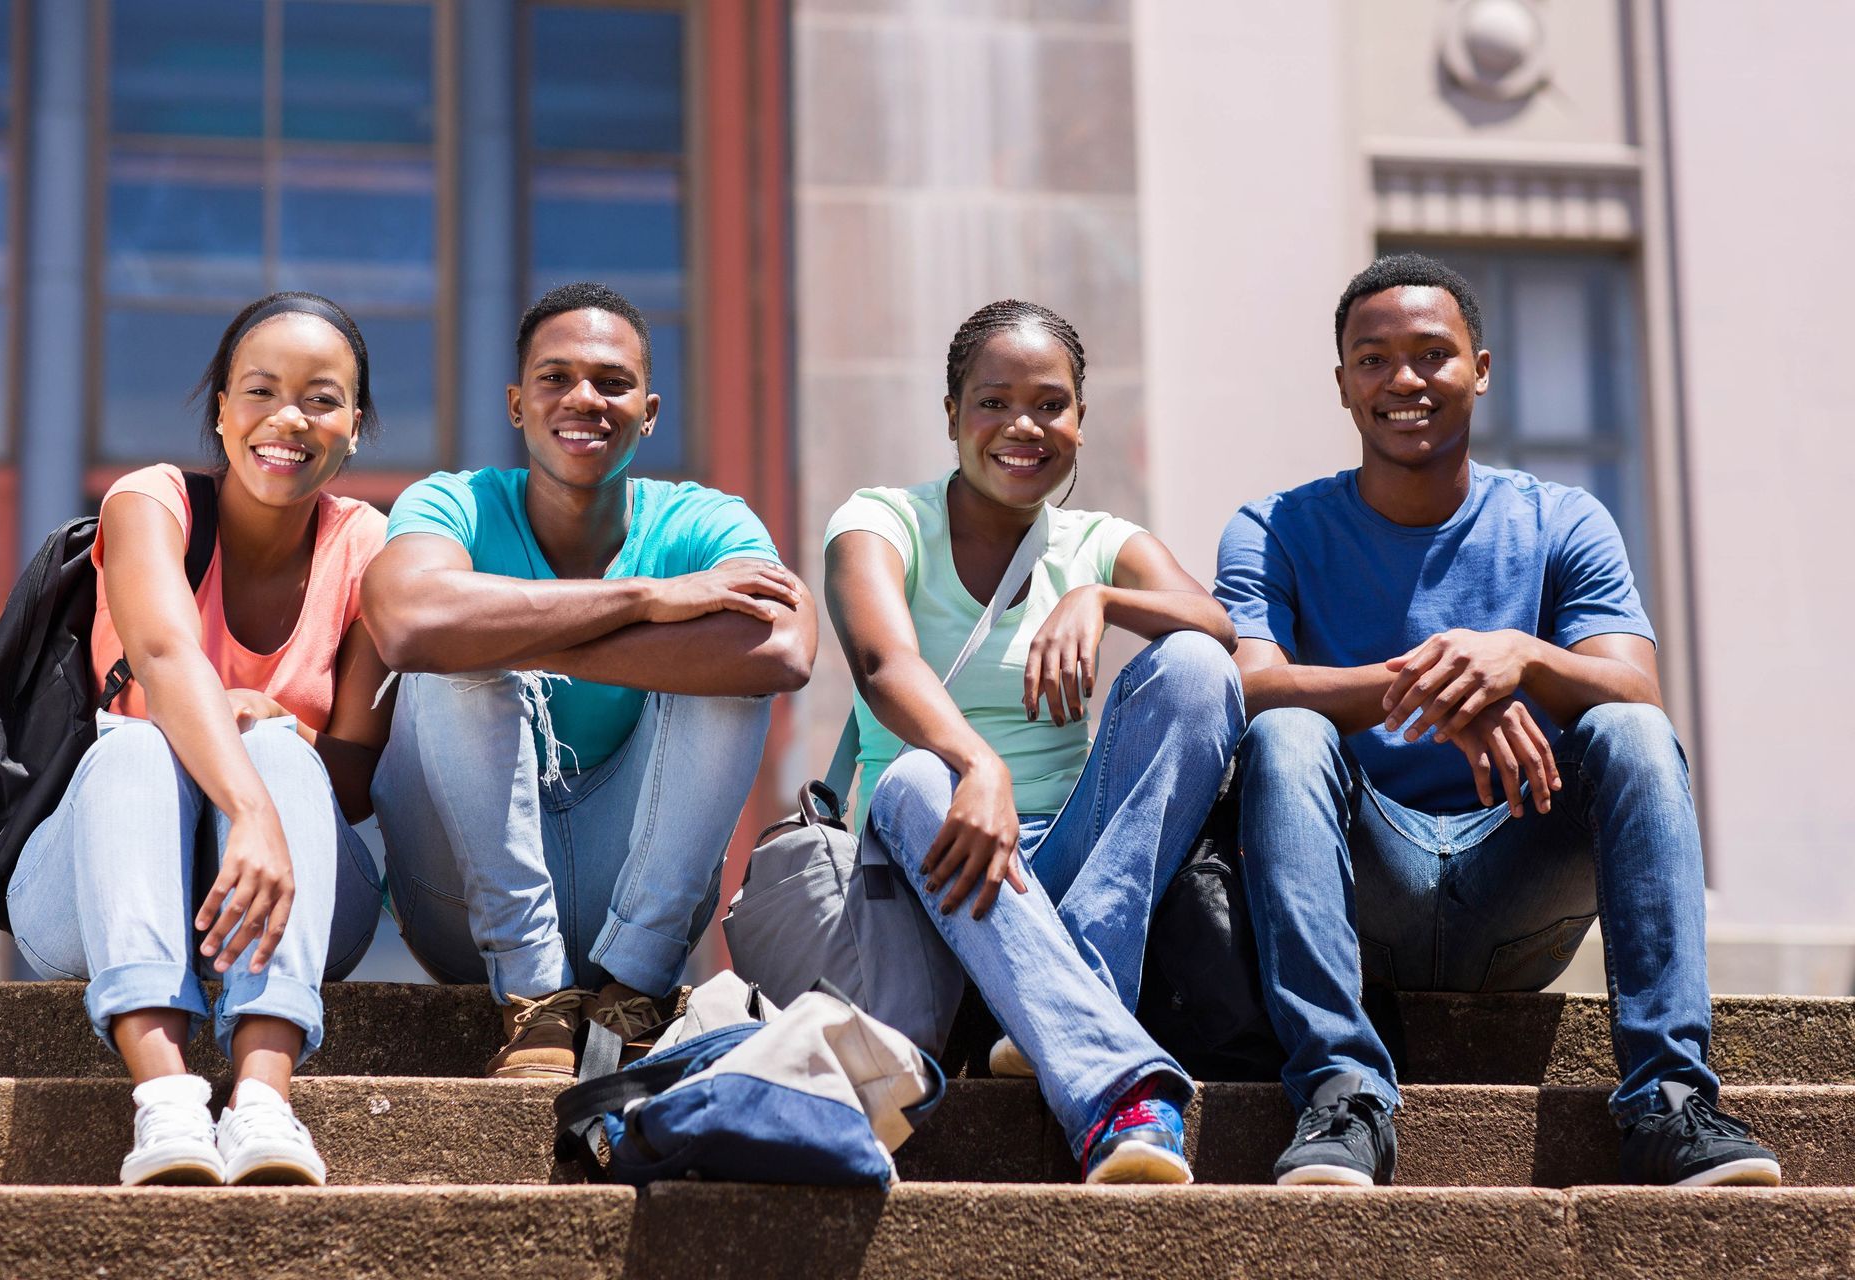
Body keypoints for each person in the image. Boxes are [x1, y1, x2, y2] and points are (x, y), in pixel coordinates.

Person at [1215, 253, 1781, 1188]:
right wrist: (1447, 686)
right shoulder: (1273, 527)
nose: (1404, 379)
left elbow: (1635, 687)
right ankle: (1341, 1094)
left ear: (1481, 368)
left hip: (1521, 881)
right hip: (1362, 892)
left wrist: (1523, 656)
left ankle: (1670, 1102)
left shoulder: (1563, 520)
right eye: (1373, 359)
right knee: (1284, 734)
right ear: (1343, 385)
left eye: (1432, 354)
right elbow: (1248, 687)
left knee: (1631, 733)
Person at [825, 299, 1243, 1185]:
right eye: (993, 401)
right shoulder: (882, 520)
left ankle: (1063, 997)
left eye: (1050, 404)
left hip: (1074, 865)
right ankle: (1119, 1092)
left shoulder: (1098, 542)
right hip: (936, 861)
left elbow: (1217, 623)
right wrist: (975, 762)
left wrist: (1102, 600)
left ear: (1081, 422)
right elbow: (879, 661)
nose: (1024, 425)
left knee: (1198, 670)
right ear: (951, 416)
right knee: (911, 780)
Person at [363, 282, 816, 1080]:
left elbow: (783, 650)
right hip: (462, 901)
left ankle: (632, 990)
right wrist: (647, 602)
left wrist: (531, 638)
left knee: (730, 671)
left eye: (612, 382)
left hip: (631, 889)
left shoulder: (701, 520)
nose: (584, 399)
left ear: (649, 411)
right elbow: (405, 623)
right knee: (447, 650)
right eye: (555, 377)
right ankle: (533, 998)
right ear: (515, 404)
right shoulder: (453, 502)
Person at [4, 293, 394, 1186]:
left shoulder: (369, 544)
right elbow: (164, 652)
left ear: (356, 427)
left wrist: (279, 736)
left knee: (285, 746)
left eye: (323, 398)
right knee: (139, 744)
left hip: (290, 906)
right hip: (95, 888)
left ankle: (262, 1100)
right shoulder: (152, 503)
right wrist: (247, 804)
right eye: (260, 390)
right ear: (221, 408)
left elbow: (358, 772)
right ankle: (169, 1101)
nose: (288, 418)